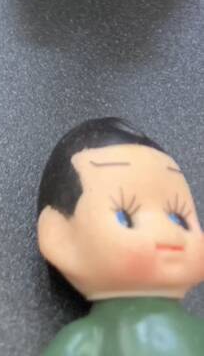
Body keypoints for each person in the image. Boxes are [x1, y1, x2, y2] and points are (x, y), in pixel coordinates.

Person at [37, 117, 204, 354]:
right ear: (61, 239)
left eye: (179, 219)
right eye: (125, 217)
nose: (166, 232)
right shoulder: (89, 339)